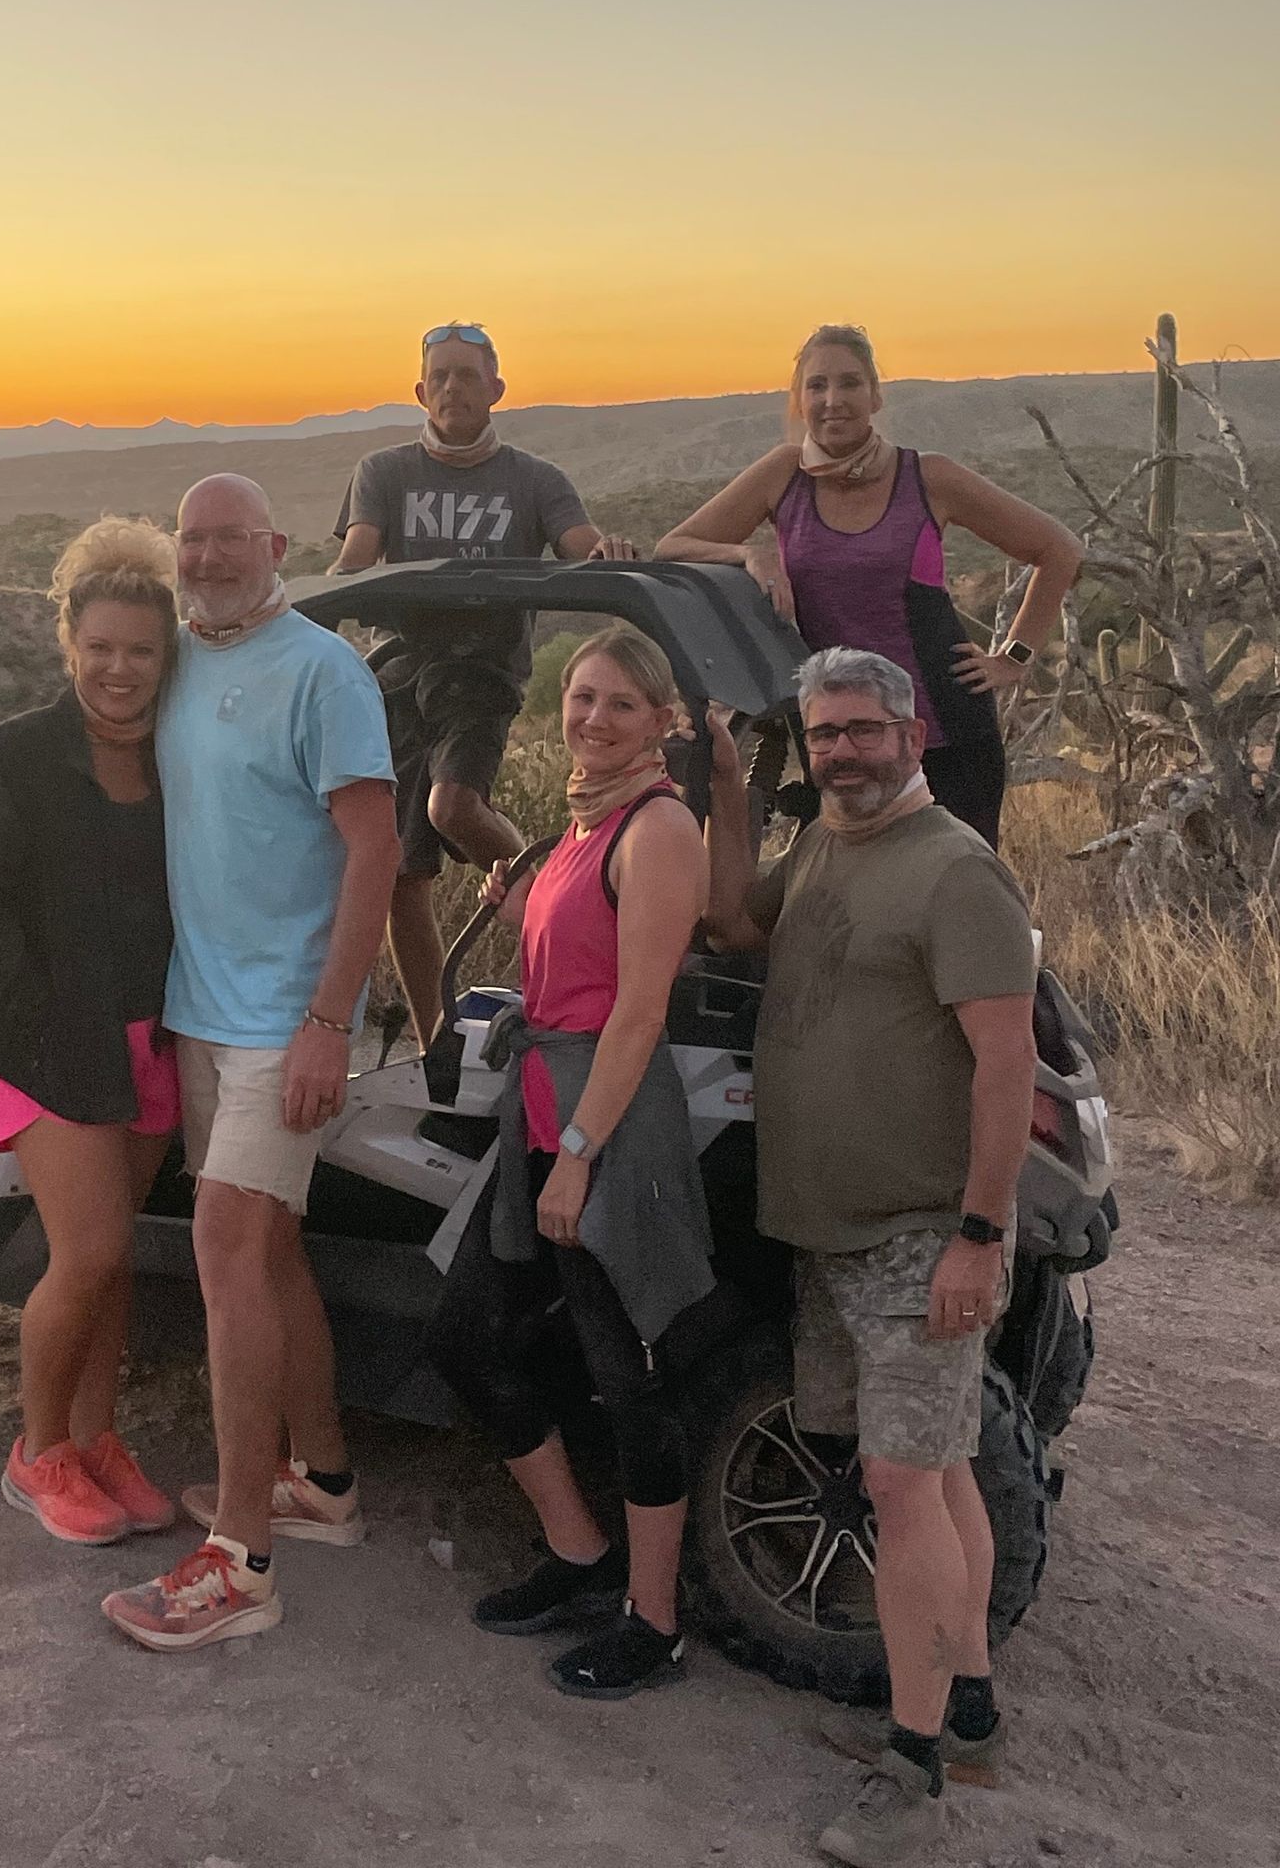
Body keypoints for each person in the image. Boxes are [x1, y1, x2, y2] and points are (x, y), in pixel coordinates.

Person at [704, 646, 1039, 1867]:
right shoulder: (833, 848)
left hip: (916, 1234)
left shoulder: (959, 872)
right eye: (823, 730)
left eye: (860, 727)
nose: (841, 748)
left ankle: (913, 1763)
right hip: (829, 1233)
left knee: (901, 1488)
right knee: (938, 1473)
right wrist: (735, 787)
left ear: (912, 731)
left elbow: (1005, 1065)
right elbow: (738, 921)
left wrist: (979, 1234)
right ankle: (972, 1709)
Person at [101, 475, 400, 1651]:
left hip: (287, 1017)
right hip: (203, 1009)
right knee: (268, 1251)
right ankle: (320, 1478)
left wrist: (333, 1018)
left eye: (232, 537)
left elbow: (374, 846)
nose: (211, 555)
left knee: (225, 1242)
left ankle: (239, 1561)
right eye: (193, 538)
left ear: (277, 546)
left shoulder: (325, 670)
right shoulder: (177, 660)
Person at [427, 629, 713, 1699]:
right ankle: (581, 1554)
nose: (594, 716)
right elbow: (571, 963)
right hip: (542, 1113)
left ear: (662, 720)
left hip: (610, 1126)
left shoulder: (660, 826)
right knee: (467, 1336)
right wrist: (521, 904)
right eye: (582, 695)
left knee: (628, 1373)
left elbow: (637, 1010)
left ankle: (655, 1620)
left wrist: (579, 1156)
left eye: (622, 703)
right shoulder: (584, 826)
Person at [0, 518, 183, 1547]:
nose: (119, 668)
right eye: (102, 648)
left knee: (115, 1258)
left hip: (152, 1037)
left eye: (140, 649)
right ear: (68, 645)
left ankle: (95, 1440)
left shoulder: (178, 759)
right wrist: (29, 1006)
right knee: (86, 1249)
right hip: (51, 1045)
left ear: (163, 655)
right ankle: (37, 1452)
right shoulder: (18, 758)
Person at [654, 323, 1081, 849]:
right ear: (799, 399)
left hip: (942, 730)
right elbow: (674, 546)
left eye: (850, 383)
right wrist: (749, 553)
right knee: (846, 904)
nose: (833, 400)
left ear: (875, 395)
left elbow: (1059, 549)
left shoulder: (928, 478)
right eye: (817, 386)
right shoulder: (784, 475)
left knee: (953, 899)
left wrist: (1013, 657)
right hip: (837, 741)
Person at [332, 321, 631, 1045]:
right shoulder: (385, 471)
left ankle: (562, 902)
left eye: (468, 375)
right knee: (402, 873)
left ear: (496, 388)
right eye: (440, 376)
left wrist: (610, 552)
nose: (453, 388)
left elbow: (580, 545)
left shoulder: (532, 479)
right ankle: (438, 1045)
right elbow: (356, 558)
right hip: (400, 673)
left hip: (481, 670)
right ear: (419, 390)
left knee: (453, 803)